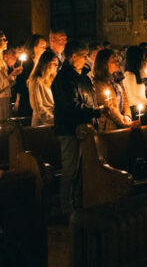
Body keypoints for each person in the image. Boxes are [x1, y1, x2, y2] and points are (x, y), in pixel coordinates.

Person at [52, 40, 102, 217]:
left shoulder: (83, 76)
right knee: (70, 169)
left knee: (82, 168)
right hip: (69, 130)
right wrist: (95, 111)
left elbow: (90, 98)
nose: (86, 59)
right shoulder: (64, 79)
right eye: (83, 55)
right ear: (73, 57)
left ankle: (79, 203)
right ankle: (66, 208)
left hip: (85, 129)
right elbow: (69, 106)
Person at [92, 49, 131, 130]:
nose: (117, 63)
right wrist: (123, 121)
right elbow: (109, 106)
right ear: (104, 64)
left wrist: (127, 116)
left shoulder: (116, 79)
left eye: (117, 60)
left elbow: (125, 100)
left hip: (122, 122)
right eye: (113, 61)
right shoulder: (99, 83)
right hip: (108, 125)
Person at [122, 45, 147, 118]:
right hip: (135, 112)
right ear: (136, 60)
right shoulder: (129, 75)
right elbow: (133, 99)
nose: (144, 62)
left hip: (140, 109)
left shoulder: (135, 75)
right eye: (142, 59)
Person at [27, 48, 59, 126]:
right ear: (46, 63)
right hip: (42, 123)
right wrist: (54, 120)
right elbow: (38, 107)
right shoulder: (36, 81)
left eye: (57, 64)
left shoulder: (51, 81)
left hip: (52, 120)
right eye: (54, 63)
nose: (56, 66)